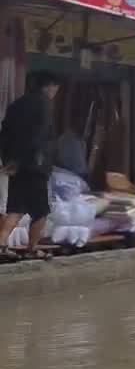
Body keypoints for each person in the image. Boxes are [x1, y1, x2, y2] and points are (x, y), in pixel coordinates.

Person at [0, 71, 60, 259]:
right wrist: (25, 159)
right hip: (35, 165)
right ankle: (32, 249)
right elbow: (38, 137)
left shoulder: (15, 105)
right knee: (41, 210)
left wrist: (10, 160)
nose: (55, 92)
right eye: (55, 88)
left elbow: (4, 136)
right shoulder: (44, 105)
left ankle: (1, 245)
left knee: (16, 207)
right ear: (48, 86)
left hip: (17, 166)